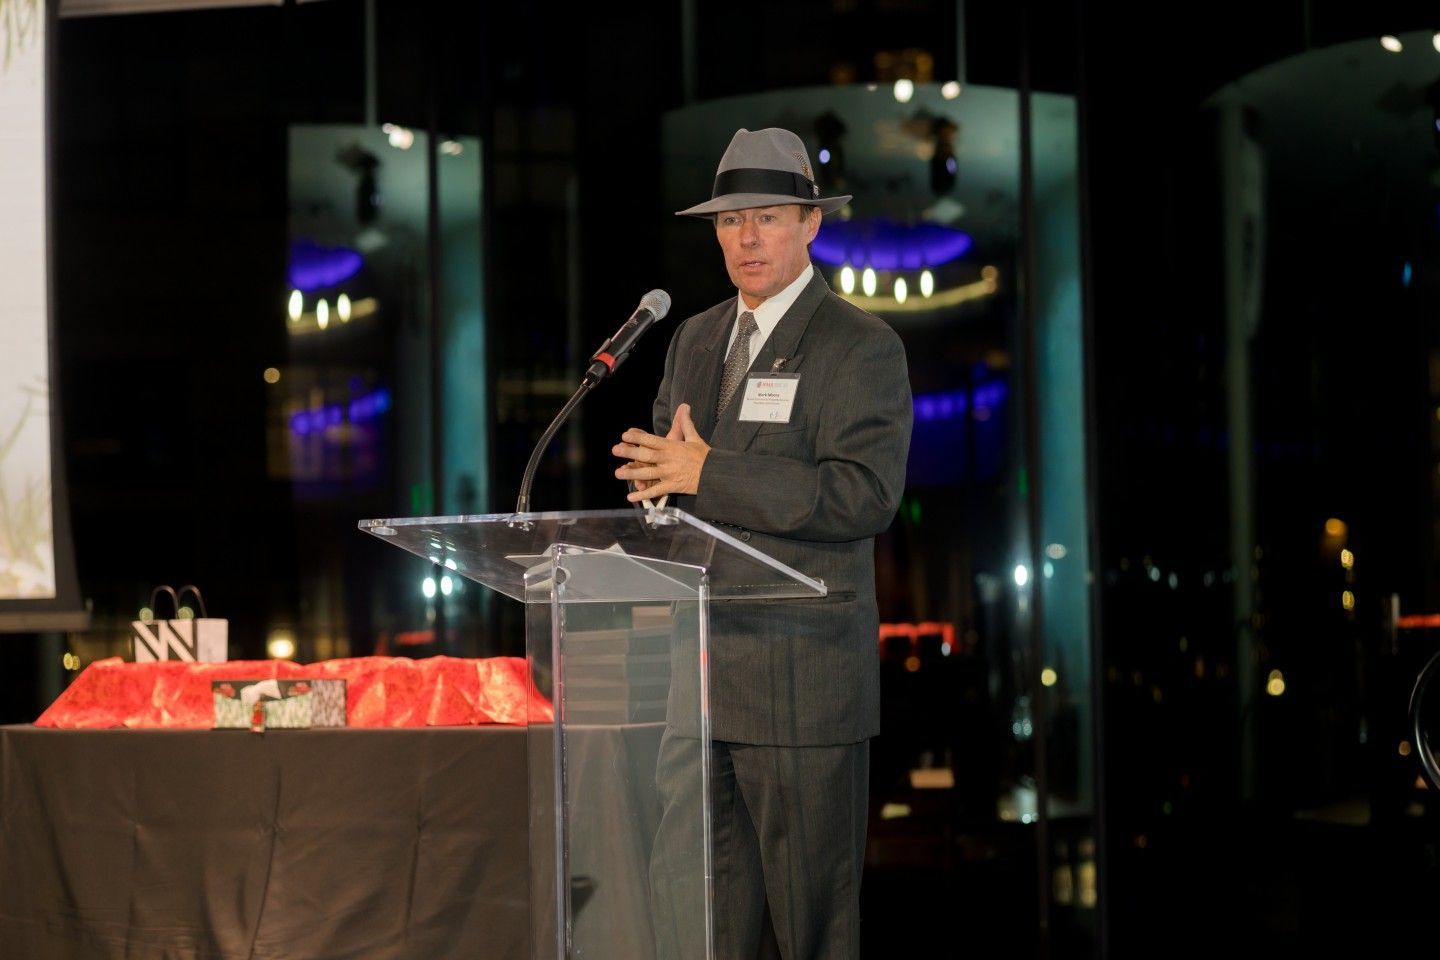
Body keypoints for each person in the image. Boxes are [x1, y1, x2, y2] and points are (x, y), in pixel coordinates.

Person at [612, 127, 912, 960]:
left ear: (811, 224)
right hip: (696, 686)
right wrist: (654, 489)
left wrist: (707, 472)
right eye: (729, 220)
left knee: (810, 934)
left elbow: (863, 495)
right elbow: (675, 476)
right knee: (699, 930)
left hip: (800, 683)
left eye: (767, 217)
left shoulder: (861, 346)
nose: (746, 238)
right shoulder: (694, 339)